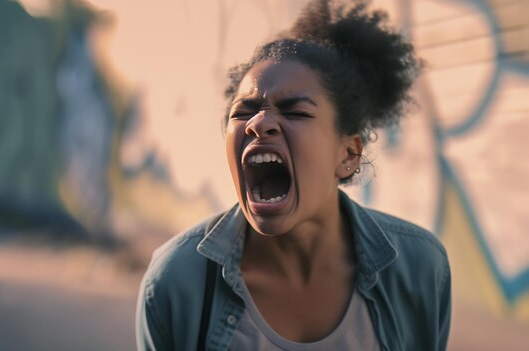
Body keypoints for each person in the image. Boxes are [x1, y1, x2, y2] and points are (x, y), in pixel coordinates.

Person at [136, 0, 451, 350]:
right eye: (244, 111)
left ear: (348, 154)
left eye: (296, 112)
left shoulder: (420, 268)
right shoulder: (175, 281)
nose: (259, 123)